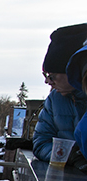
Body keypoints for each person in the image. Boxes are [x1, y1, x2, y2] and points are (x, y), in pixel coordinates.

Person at [33, 24, 87, 162]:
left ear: (72, 72)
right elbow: (40, 143)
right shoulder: (54, 100)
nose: (48, 82)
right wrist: (69, 156)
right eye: (45, 75)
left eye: (52, 76)